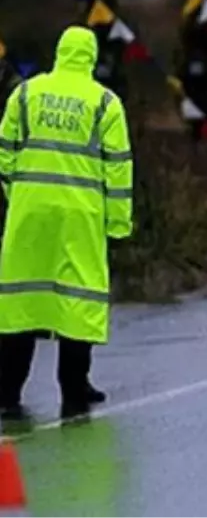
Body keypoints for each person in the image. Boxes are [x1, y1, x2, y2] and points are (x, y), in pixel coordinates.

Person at [0, 26, 134, 420]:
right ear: (90, 58)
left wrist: (17, 191)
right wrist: (118, 224)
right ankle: (74, 388)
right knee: (79, 298)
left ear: (59, 53)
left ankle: (7, 391)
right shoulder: (104, 103)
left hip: (30, 213)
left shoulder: (26, 93)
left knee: (21, 300)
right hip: (81, 215)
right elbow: (119, 168)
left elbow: (4, 149)